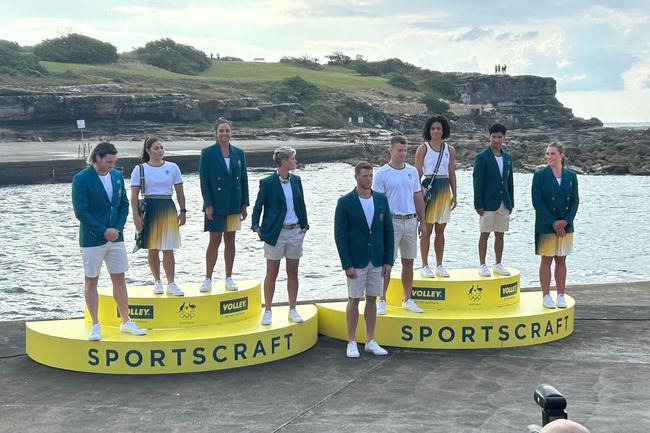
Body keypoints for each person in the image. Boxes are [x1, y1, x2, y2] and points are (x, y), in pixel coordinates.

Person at [71, 142, 147, 341]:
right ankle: (95, 324)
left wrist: (117, 229)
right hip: (92, 238)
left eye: (114, 162)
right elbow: (81, 211)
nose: (112, 165)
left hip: (116, 237)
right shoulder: (81, 179)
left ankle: (125, 321)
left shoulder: (116, 176)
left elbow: (123, 205)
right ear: (97, 158)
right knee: (91, 280)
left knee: (119, 278)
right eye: (108, 162)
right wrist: (103, 231)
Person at [334, 161, 393, 358]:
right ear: (357, 177)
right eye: (365, 176)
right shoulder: (345, 202)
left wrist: (388, 261)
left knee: (372, 299)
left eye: (370, 176)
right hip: (356, 259)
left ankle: (370, 340)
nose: (368, 179)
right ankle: (351, 341)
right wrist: (347, 263)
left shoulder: (382, 200)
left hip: (376, 257)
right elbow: (340, 235)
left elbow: (388, 231)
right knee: (354, 299)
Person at [251, 146, 309, 325]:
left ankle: (293, 308)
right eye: (292, 159)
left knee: (293, 272)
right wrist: (256, 226)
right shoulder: (268, 182)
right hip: (275, 232)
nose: (295, 161)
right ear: (283, 162)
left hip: (295, 231)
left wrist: (305, 225)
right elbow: (258, 206)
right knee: (272, 272)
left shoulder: (296, 180)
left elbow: (301, 204)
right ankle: (267, 309)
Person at [373, 136, 426, 315]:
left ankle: (407, 298)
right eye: (399, 150)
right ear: (390, 151)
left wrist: (423, 221)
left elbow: (418, 197)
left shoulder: (411, 171)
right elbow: (378, 203)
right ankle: (382, 299)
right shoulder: (382, 174)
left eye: (404, 150)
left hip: (411, 220)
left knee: (409, 262)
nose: (402, 154)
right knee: (387, 263)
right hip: (392, 221)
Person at [130, 137, 186, 296]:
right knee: (152, 247)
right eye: (156, 148)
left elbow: (180, 192)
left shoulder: (172, 167)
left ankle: (172, 283)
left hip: (167, 205)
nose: (160, 151)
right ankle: (157, 281)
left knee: (168, 247)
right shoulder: (140, 169)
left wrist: (183, 211)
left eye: (162, 148)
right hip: (149, 207)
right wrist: (135, 215)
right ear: (148, 150)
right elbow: (133, 196)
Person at [199, 118, 249, 292]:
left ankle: (229, 277)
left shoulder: (239, 153)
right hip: (215, 203)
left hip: (234, 202)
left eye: (227, 130)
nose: (224, 134)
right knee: (214, 240)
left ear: (231, 132)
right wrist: (208, 204)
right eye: (221, 131)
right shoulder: (207, 153)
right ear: (216, 133)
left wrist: (245, 203)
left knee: (231, 239)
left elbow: (243, 179)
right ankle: (208, 278)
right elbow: (204, 180)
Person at [532, 143, 579, 309]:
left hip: (565, 224)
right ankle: (546, 295)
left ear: (561, 155)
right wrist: (553, 222)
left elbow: (575, 201)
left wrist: (565, 221)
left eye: (552, 154)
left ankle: (560, 295)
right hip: (546, 224)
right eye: (547, 154)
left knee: (561, 259)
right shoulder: (539, 175)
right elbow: (537, 202)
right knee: (546, 259)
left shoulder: (571, 176)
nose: (549, 157)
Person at [414, 115, 457, 278]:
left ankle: (439, 264)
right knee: (427, 229)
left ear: (443, 130)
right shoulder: (423, 148)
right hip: (428, 189)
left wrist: (455, 194)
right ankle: (424, 265)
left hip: (444, 188)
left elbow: (452, 173)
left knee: (441, 229)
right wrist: (416, 194)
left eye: (438, 128)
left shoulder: (450, 150)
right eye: (433, 128)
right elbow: (417, 172)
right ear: (428, 130)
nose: (436, 131)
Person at [473, 123, 514, 277]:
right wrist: (478, 204)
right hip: (487, 203)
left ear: (504, 138)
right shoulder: (482, 157)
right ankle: (482, 264)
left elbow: (509, 181)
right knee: (484, 233)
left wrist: (511, 203)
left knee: (500, 234)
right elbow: (477, 182)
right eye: (494, 137)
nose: (496, 140)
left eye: (500, 137)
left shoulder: (508, 157)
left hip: (504, 202)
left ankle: (498, 263)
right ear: (489, 137)